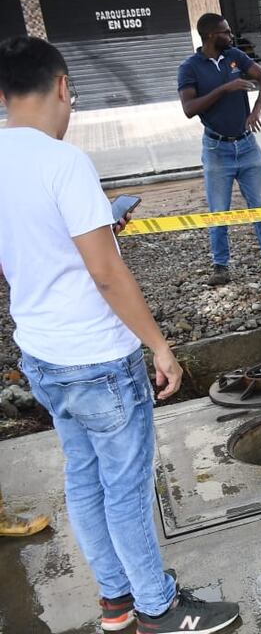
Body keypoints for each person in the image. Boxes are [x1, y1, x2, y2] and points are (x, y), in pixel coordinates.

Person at [0, 36, 240, 633]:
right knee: (126, 490)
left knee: (83, 480)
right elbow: (106, 275)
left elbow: (28, 248)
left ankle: (116, 602)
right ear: (62, 87)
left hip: (42, 355)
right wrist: (160, 347)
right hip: (98, 358)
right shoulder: (64, 163)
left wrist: (99, 226)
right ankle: (158, 608)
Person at [178, 12, 261, 286]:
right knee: (219, 212)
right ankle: (220, 267)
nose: (231, 35)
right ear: (210, 35)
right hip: (216, 149)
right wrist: (225, 88)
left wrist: (256, 109)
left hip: (247, 145)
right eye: (225, 32)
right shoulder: (190, 67)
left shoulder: (235, 56)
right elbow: (189, 109)